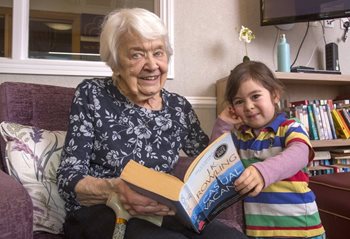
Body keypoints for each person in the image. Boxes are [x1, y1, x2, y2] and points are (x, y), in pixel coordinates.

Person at [57, 8, 247, 239]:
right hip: (104, 211)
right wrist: (116, 189)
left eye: (158, 53)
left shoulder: (178, 107)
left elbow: (205, 163)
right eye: (137, 54)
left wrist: (226, 126)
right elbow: (69, 176)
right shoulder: (92, 94)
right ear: (115, 63)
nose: (151, 65)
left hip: (160, 212)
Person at [211, 61, 326, 239]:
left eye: (255, 96)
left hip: (302, 231)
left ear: (275, 95)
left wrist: (263, 171)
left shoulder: (290, 127)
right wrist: (223, 124)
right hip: (257, 232)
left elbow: (300, 153)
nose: (248, 106)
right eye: (240, 101)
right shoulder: (240, 138)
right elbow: (216, 160)